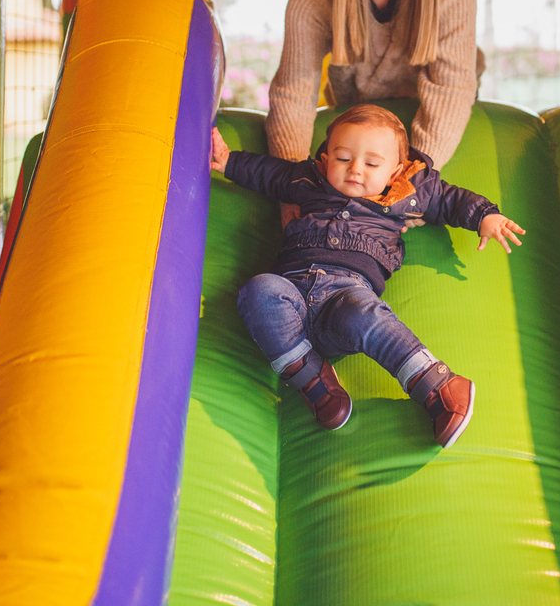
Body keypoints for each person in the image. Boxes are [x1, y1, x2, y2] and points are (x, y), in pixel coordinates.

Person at [210, 104, 525, 448]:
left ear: (396, 171)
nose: (355, 170)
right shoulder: (309, 179)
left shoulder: (409, 192)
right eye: (343, 158)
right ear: (327, 157)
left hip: (345, 297)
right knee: (259, 290)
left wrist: (485, 217)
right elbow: (270, 174)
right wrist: (228, 161)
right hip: (292, 292)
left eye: (371, 164)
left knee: (364, 315)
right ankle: (313, 381)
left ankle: (435, 384)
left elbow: (450, 200)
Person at [266, 0, 483, 228]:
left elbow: (450, 87)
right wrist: (293, 187)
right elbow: (294, 91)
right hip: (360, 113)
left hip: (426, 114)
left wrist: (409, 179)